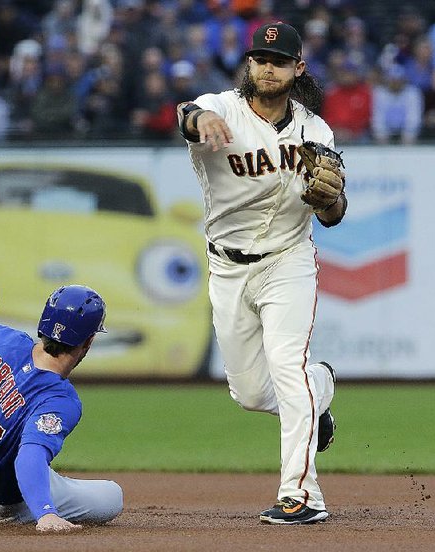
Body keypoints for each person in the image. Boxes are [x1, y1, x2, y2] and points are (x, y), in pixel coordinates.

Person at [176, 21, 340, 525]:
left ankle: (302, 495)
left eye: (279, 60)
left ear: (298, 68)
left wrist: (331, 198)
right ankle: (320, 392)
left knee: (287, 366)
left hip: (288, 260)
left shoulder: (316, 130)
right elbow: (187, 113)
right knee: (249, 392)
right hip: (227, 267)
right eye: (260, 59)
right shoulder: (222, 108)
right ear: (249, 64)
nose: (268, 68)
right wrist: (197, 120)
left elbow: (334, 214)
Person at [0, 281, 123, 533]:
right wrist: (46, 513)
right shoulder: (60, 399)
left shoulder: (3, 339)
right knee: (113, 497)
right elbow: (29, 456)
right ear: (89, 341)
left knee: (35, 462)